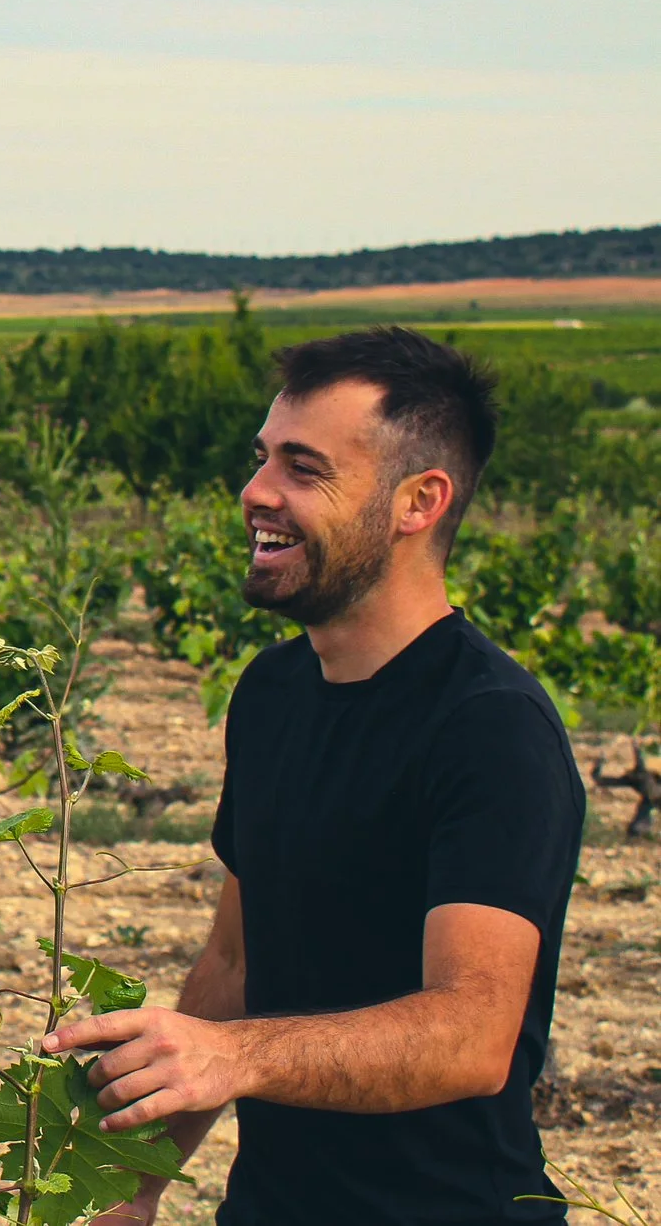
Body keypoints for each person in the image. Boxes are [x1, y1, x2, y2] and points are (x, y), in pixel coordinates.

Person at [45, 328, 584, 1225]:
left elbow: (473, 1034)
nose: (256, 492)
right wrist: (136, 1181)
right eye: (263, 459)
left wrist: (237, 1054)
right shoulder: (271, 693)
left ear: (419, 500)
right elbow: (234, 960)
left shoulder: (491, 729)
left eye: (304, 467)